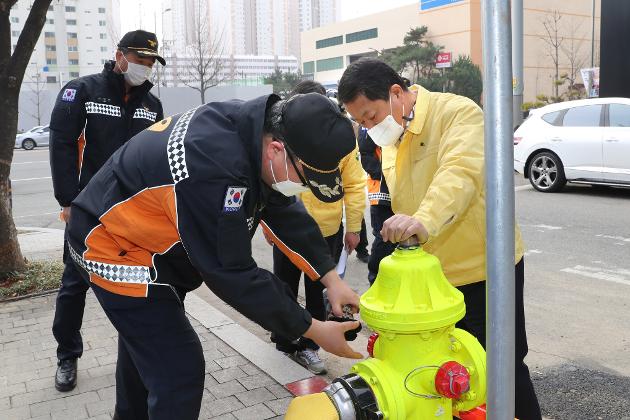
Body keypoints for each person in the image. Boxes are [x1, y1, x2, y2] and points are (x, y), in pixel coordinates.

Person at [65, 92, 362, 419]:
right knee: (178, 367)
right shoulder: (213, 168)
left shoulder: (251, 130)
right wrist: (312, 329)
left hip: (150, 244)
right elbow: (231, 273)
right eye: (306, 181)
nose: (303, 190)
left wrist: (331, 279)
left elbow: (285, 213)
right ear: (276, 149)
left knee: (148, 351)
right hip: (110, 246)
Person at [338, 58, 542, 420]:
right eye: (361, 122)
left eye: (370, 116)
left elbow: (460, 173)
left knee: (503, 367)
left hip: (485, 271)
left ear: (396, 93)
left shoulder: (457, 113)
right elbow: (392, 215)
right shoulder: (392, 138)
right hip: (434, 283)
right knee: (449, 378)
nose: (369, 128)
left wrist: (422, 219)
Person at [49, 29, 165, 392]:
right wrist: (68, 200)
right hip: (86, 210)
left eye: (150, 62)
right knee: (74, 286)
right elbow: (63, 145)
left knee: (137, 286)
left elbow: (155, 161)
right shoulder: (83, 91)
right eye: (138, 59)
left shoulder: (153, 107)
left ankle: (138, 356)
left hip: (131, 215)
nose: (144, 67)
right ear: (119, 55)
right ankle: (67, 354)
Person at [269, 80, 366, 374]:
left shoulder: (339, 143)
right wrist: (267, 224)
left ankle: (311, 346)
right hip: (286, 231)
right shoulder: (282, 141)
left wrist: (355, 228)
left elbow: (354, 184)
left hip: (326, 231)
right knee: (283, 286)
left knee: (318, 291)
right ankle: (285, 339)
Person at [357, 126, 395, 285]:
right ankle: (376, 279)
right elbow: (366, 156)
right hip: (381, 190)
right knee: (383, 237)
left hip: (400, 189)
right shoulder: (369, 122)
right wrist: (387, 174)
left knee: (399, 237)